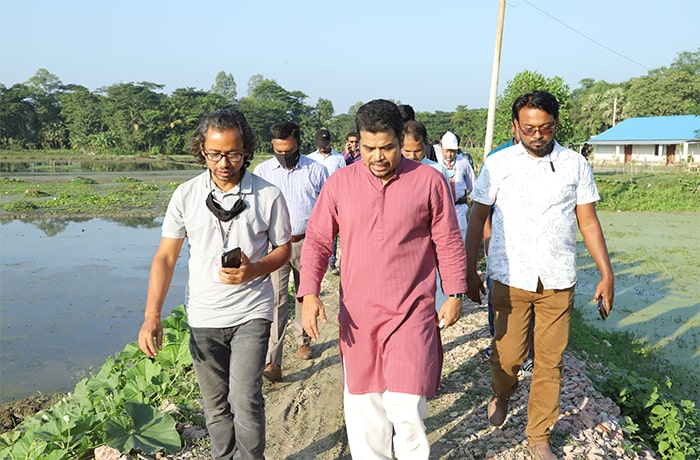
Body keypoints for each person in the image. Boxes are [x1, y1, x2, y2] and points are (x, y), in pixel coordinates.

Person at [298, 99, 467, 459]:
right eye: (369, 148)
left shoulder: (428, 181)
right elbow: (317, 240)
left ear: (400, 139)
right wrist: (309, 292)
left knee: (407, 409)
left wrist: (454, 292)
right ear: (358, 142)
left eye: (387, 147)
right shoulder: (340, 184)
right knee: (365, 412)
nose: (378, 156)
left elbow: (448, 239)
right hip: (358, 318)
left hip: (412, 313)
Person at [465, 90, 614, 460]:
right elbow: (477, 217)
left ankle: (539, 435)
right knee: (508, 358)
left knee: (550, 362)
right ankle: (501, 392)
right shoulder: (498, 165)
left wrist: (606, 274)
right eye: (529, 127)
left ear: (555, 124)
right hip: (510, 277)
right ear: (515, 126)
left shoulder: (574, 165)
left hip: (558, 279)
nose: (537, 135)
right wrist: (468, 269)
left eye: (545, 127)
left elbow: (588, 221)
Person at [138, 109, 292, 460]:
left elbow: (283, 249)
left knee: (245, 399)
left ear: (247, 150)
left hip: (251, 312)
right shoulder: (186, 195)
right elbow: (165, 257)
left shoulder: (268, 195)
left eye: (234, 154)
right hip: (204, 316)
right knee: (215, 405)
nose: (224, 163)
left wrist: (255, 270)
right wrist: (152, 316)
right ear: (202, 150)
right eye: (215, 154)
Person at [254, 121, 328, 382]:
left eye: (288, 150)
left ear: (298, 144)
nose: (283, 156)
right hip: (275, 245)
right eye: (278, 151)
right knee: (275, 300)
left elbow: (327, 209)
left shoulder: (316, 171)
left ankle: (303, 341)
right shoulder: (262, 172)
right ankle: (272, 360)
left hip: (308, 242)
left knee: (304, 294)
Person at [307, 128, 345, 275]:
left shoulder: (339, 158)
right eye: (320, 144)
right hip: (315, 199)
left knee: (333, 230)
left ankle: (331, 261)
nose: (323, 147)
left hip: (335, 199)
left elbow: (343, 179)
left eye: (325, 143)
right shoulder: (310, 158)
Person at [439, 130, 476, 243]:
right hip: (442, 207)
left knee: (461, 236)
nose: (449, 154)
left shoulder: (463, 162)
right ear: (441, 148)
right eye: (447, 151)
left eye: (452, 151)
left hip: (459, 206)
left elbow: (472, 183)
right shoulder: (437, 162)